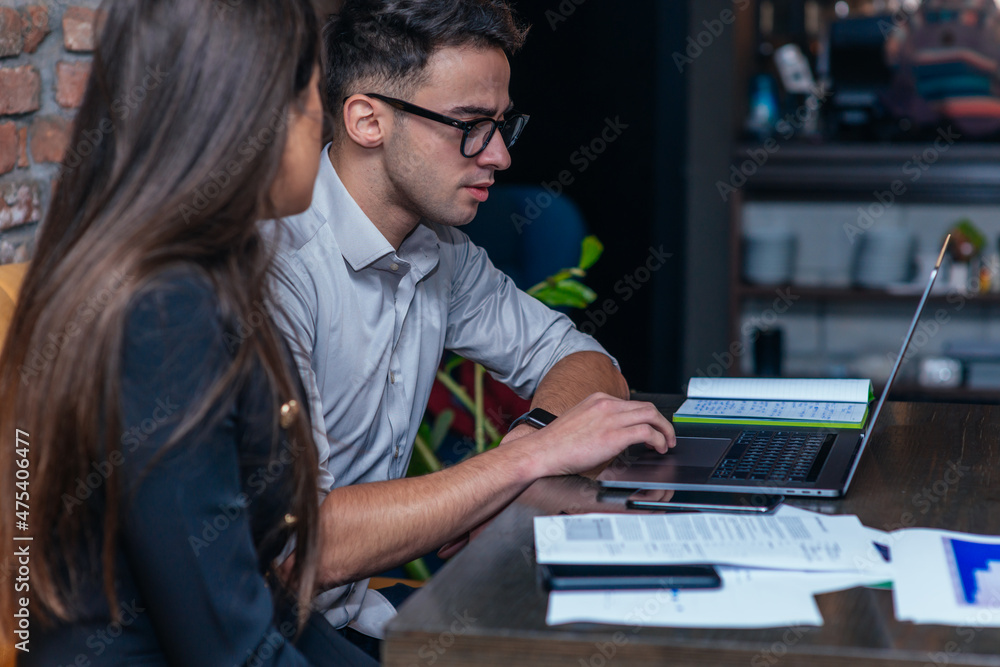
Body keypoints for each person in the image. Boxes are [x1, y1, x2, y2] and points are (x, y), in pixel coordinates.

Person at [269, 0, 676, 646]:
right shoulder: (279, 266)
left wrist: (526, 443)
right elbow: (305, 546)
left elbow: (584, 361)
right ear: (367, 120)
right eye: (468, 125)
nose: (499, 157)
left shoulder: (441, 252)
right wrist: (527, 463)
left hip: (356, 616)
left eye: (500, 125)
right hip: (276, 636)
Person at [0, 0, 374, 664]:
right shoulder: (165, 311)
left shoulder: (196, 275)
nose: (323, 118)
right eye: (316, 89)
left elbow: (258, 605)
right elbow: (226, 645)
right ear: (254, 112)